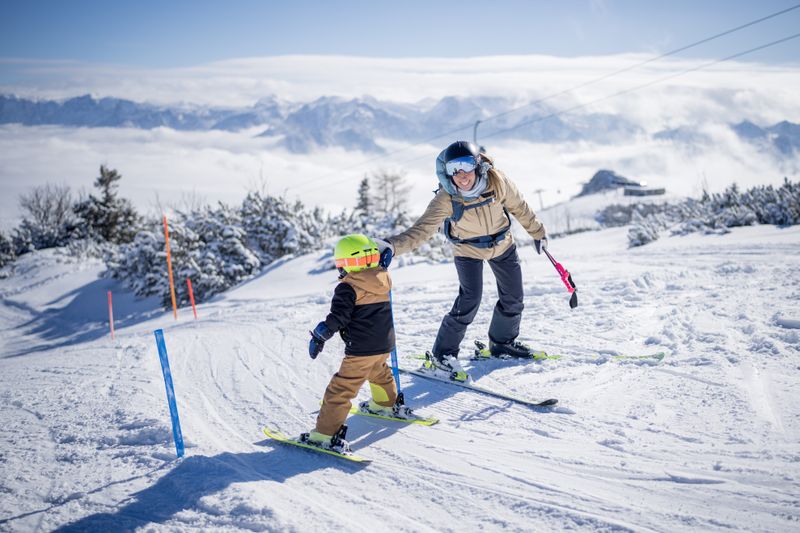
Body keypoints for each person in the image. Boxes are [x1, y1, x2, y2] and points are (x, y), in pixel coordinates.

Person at [378, 141, 548, 377]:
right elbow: (422, 230)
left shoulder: (497, 182)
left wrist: (538, 232)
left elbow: (520, 207)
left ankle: (502, 343)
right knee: (469, 301)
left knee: (514, 298)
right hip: (468, 250)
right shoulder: (447, 198)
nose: (460, 174)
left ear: (478, 164)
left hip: (502, 244)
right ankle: (443, 355)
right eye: (453, 169)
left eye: (465, 165)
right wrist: (392, 246)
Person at [303, 233, 400, 450]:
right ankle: (386, 404)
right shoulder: (383, 277)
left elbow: (338, 318)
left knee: (341, 388)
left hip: (362, 349)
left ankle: (324, 435)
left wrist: (320, 334)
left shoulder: (347, 287)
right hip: (384, 344)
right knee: (379, 371)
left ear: (346, 263)